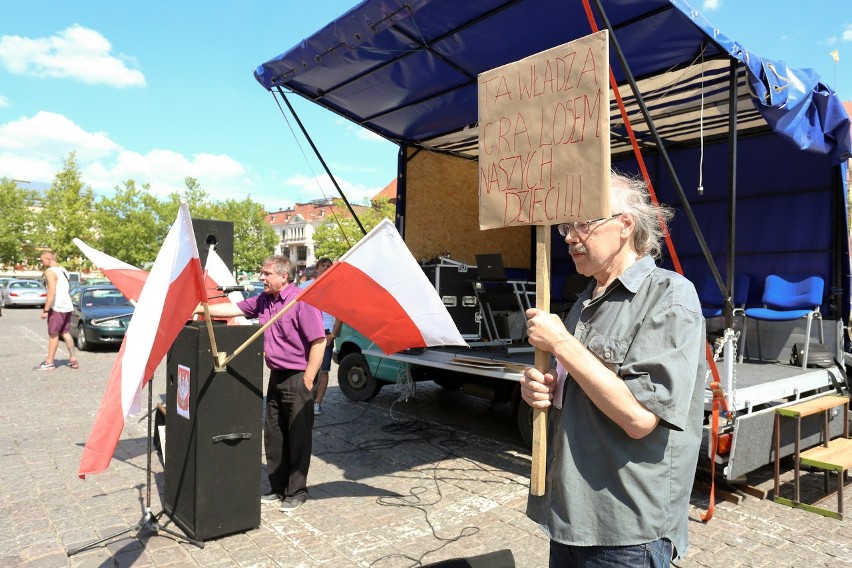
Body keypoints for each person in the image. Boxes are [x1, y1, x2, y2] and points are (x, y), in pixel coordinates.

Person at [520, 172, 705, 567]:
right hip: (570, 514)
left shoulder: (670, 296)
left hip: (625, 531)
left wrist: (562, 344)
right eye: (566, 227)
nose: (569, 237)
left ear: (625, 225)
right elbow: (584, 392)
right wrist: (544, 389)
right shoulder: (583, 303)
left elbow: (639, 417)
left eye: (583, 224)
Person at [199, 255, 326, 512]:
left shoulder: (301, 301)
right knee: (274, 435)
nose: (261, 278)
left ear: (283, 276)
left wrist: (309, 380)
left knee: (298, 438)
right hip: (276, 377)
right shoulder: (264, 300)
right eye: (262, 273)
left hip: (298, 377)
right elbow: (234, 309)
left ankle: (297, 491)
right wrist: (200, 309)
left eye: (266, 273)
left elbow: (319, 342)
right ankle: (278, 488)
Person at [299, 257, 340, 416]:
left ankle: (318, 402)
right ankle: (304, 400)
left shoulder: (335, 289)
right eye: (324, 265)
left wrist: (334, 335)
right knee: (305, 368)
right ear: (316, 269)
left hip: (326, 334)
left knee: (324, 370)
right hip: (308, 334)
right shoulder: (305, 287)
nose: (327, 267)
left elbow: (339, 315)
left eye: (330, 266)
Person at [35, 251, 78, 371]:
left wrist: (45, 310)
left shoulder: (50, 272)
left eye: (42, 259)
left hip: (57, 307)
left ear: (49, 259)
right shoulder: (63, 270)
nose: (41, 262)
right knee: (65, 332)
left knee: (53, 334)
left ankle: (49, 362)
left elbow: (52, 292)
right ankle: (73, 359)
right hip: (67, 306)